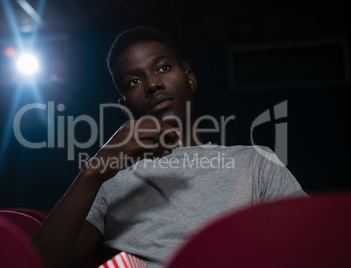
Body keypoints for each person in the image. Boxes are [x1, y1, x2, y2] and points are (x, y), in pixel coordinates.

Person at [31, 26, 307, 268]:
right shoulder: (109, 180)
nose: (152, 84)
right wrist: (92, 171)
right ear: (125, 107)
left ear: (190, 79)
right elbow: (34, 263)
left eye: (163, 67)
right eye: (134, 82)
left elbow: (311, 244)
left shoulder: (256, 161)